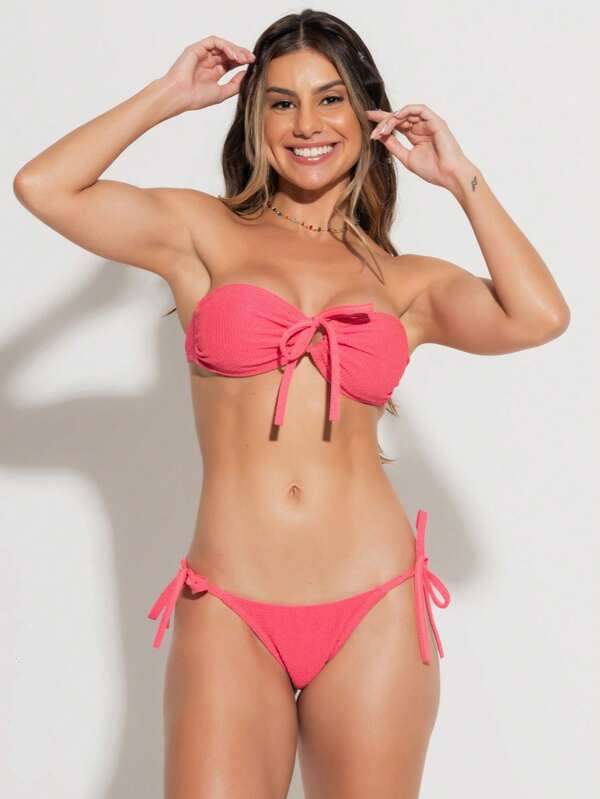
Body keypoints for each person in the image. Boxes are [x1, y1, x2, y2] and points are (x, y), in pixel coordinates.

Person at [13, 9, 570, 798]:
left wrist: (461, 179)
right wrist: (167, 95)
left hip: (374, 606)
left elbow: (540, 315)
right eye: (282, 102)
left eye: (330, 98)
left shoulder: (404, 281)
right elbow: (42, 185)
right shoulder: (201, 232)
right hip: (230, 606)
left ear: (367, 113)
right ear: (255, 119)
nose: (307, 123)